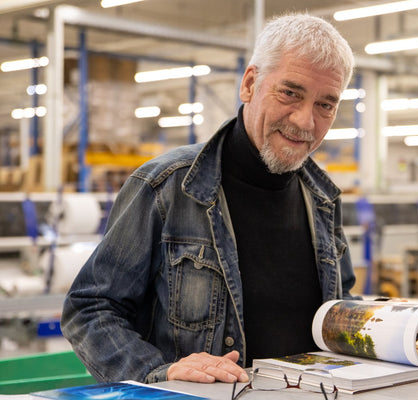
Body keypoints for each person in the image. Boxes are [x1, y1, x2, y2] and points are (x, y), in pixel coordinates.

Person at [61, 13, 356, 385]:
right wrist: (159, 371)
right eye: (290, 93)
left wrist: (387, 332)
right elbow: (89, 309)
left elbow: (338, 306)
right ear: (250, 84)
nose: (305, 122)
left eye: (325, 105)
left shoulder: (324, 200)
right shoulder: (165, 186)